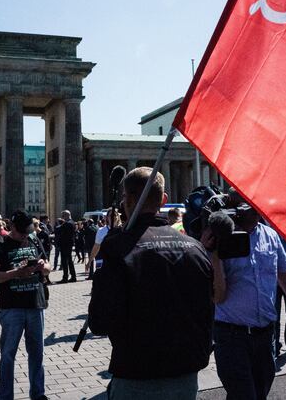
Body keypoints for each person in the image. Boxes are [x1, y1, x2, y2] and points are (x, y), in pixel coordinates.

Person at [89, 167, 214, 399]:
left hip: (136, 374)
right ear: (163, 199)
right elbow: (208, 311)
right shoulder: (195, 248)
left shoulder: (118, 248)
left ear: (127, 199)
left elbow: (99, 321)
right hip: (185, 374)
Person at [203, 206, 286, 400]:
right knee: (244, 396)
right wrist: (213, 254)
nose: (256, 209)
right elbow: (218, 297)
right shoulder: (221, 238)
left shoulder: (271, 235)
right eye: (246, 204)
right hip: (231, 338)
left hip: (265, 338)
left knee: (259, 395)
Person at [0, 210, 50, 400]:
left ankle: (38, 394)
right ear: (12, 227)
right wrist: (16, 273)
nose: (25, 235)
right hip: (11, 307)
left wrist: (42, 267)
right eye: (22, 232)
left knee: (37, 353)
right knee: (8, 355)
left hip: (35, 304)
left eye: (27, 231)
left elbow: (48, 267)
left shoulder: (34, 239)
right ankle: (5, 396)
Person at [57, 211, 76, 282]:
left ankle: (65, 278)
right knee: (70, 261)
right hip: (68, 244)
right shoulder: (72, 222)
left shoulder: (68, 224)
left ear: (66, 215)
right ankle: (73, 276)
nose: (62, 218)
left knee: (65, 261)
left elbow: (60, 232)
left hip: (65, 245)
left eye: (63, 216)